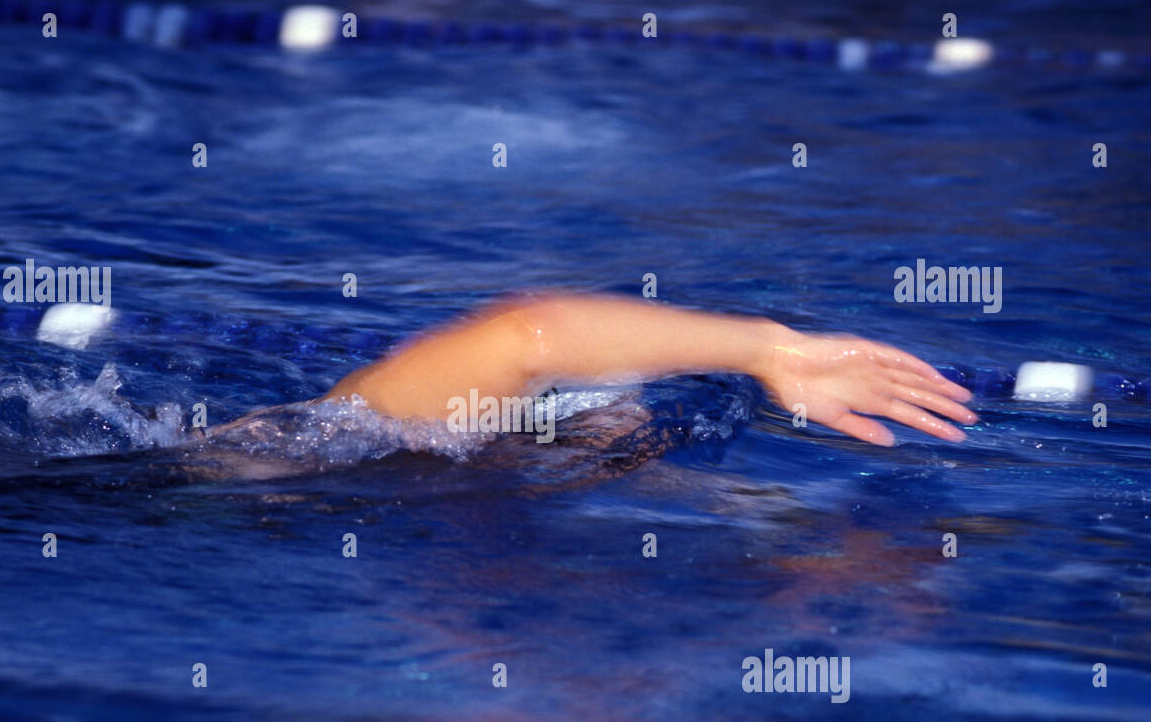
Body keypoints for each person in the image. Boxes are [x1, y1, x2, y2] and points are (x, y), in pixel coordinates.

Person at [307, 290, 976, 446]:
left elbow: (527, 340)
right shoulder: (292, 455)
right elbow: (527, 337)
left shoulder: (326, 442)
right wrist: (770, 350)